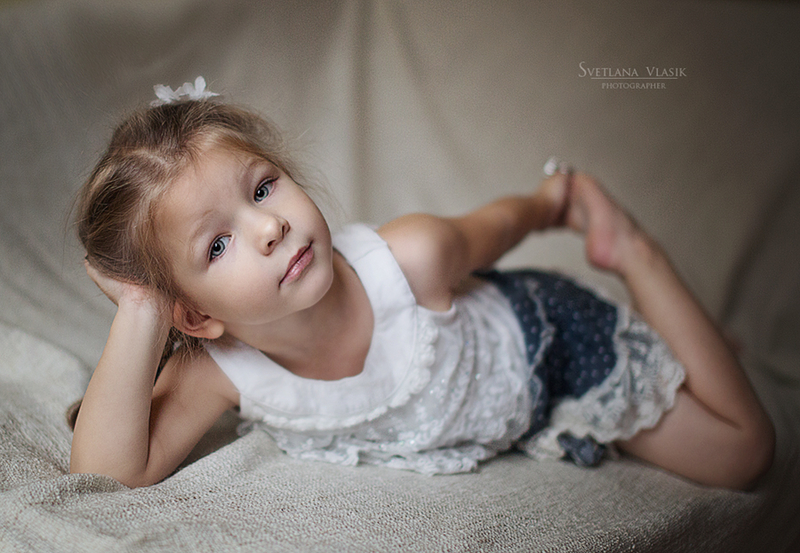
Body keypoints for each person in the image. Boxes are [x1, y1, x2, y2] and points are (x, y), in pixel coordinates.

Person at [69, 78, 774, 490]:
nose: (269, 227)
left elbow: (497, 226)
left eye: (263, 187)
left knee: (744, 453)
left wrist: (551, 201)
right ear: (194, 316)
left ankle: (634, 252)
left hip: (551, 345)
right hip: (504, 409)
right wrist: (141, 305)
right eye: (218, 244)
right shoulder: (219, 370)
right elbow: (107, 473)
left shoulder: (410, 256)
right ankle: (699, 344)